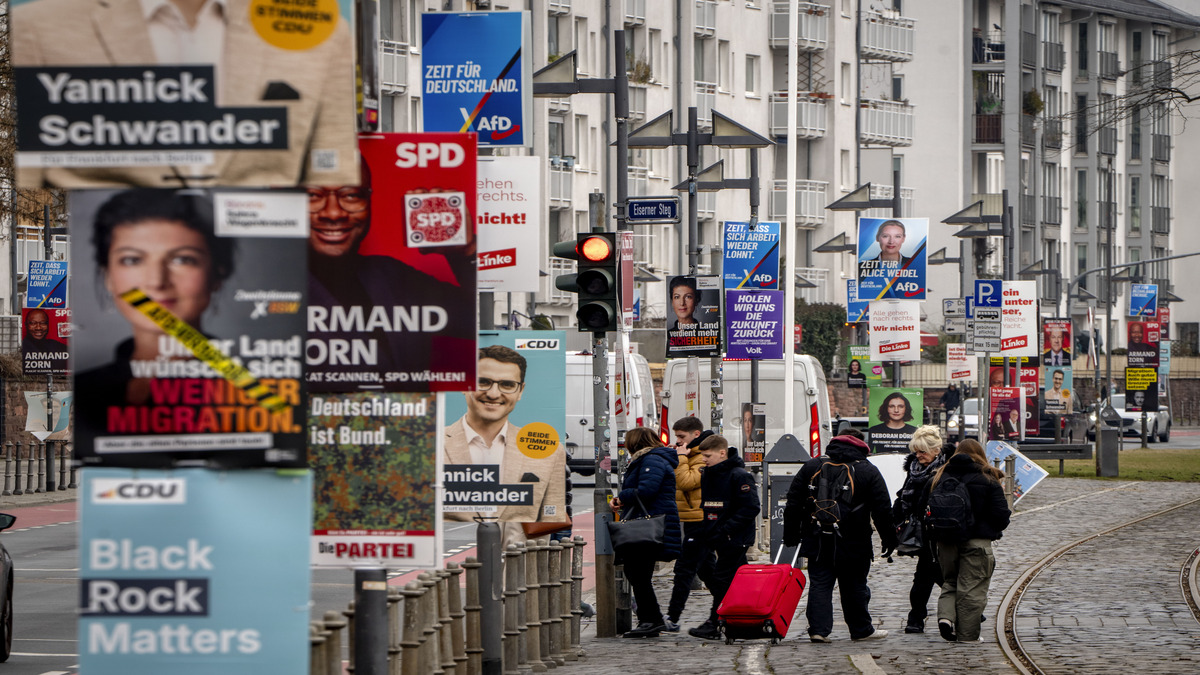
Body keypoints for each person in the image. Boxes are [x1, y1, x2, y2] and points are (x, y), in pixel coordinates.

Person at [12, 0, 358, 188]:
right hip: (115, 290)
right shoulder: (37, 25)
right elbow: (31, 174)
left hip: (262, 282)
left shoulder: (319, 31)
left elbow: (331, 174)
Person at [307, 162, 475, 390]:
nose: (334, 212)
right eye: (312, 195)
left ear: (368, 201)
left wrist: (466, 252)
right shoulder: (257, 286)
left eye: (352, 195)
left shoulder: (392, 276)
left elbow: (478, 323)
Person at [75, 189, 235, 415]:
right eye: (132, 260)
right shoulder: (76, 395)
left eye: (183, 259)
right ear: (108, 277)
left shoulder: (260, 393)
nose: (157, 282)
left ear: (218, 273)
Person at [443, 346, 568, 545]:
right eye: (483, 382)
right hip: (450, 570)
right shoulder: (431, 445)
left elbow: (551, 518)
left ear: (520, 391)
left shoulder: (546, 451)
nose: (493, 394)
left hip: (519, 569)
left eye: (507, 385)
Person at [783, 430, 896, 643]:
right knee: (854, 584)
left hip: (817, 535)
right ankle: (861, 629)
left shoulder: (812, 466)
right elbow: (882, 509)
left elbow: (793, 502)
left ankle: (818, 629)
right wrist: (889, 540)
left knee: (820, 583)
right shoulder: (867, 470)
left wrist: (791, 535)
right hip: (854, 538)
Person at [929, 439, 1011, 643]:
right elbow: (1001, 515)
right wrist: (990, 527)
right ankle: (967, 636)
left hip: (946, 540)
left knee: (950, 582)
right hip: (977, 541)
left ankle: (946, 618)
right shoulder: (988, 477)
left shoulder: (940, 475)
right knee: (972, 588)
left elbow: (926, 507)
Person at [610, 427, 681, 638]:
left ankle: (651, 620)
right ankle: (650, 619)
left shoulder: (652, 460)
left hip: (650, 523)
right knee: (637, 573)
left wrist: (623, 496)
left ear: (636, 443)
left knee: (638, 573)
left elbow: (647, 490)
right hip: (650, 521)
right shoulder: (650, 459)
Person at [687, 435, 760, 640]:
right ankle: (741, 620)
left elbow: (751, 507)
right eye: (702, 455)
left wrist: (726, 530)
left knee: (722, 578)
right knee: (735, 581)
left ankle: (716, 621)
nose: (704, 459)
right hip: (717, 535)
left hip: (734, 538)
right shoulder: (709, 474)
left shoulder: (739, 475)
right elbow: (710, 506)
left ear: (722, 453)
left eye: (707, 455)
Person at [891, 427, 947, 633]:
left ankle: (916, 619)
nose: (918, 455)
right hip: (920, 531)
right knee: (929, 574)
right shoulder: (914, 468)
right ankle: (916, 618)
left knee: (931, 575)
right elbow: (904, 496)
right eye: (916, 451)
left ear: (936, 450)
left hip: (940, 531)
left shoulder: (945, 470)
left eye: (922, 451)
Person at [665, 417, 715, 632]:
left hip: (700, 519)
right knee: (708, 571)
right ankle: (726, 608)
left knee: (684, 569)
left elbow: (685, 481)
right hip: (691, 518)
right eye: (676, 436)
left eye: (681, 436)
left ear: (696, 434)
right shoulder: (692, 453)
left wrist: (681, 458)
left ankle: (673, 617)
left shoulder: (700, 457)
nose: (678, 441)